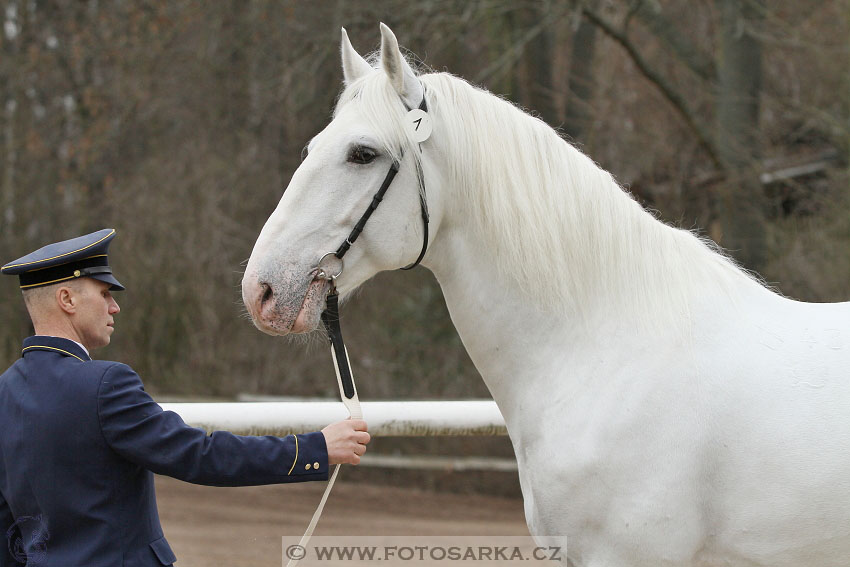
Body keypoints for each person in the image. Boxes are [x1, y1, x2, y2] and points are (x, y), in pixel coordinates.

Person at [0, 228, 370, 567]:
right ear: (67, 298)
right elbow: (199, 455)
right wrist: (313, 449)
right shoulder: (105, 383)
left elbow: (7, 524)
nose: (115, 307)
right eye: (104, 293)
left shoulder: (5, 391)